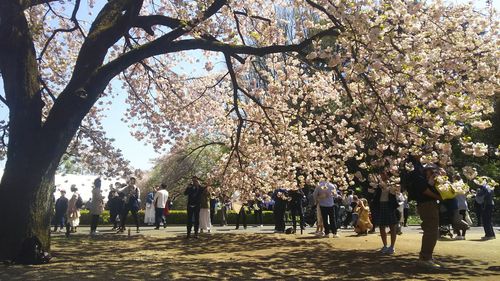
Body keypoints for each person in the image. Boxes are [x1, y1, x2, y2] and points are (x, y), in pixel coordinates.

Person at [408, 155, 442, 268]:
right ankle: (425, 258)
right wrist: (438, 197)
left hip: (426, 203)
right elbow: (423, 189)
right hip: (426, 203)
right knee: (431, 230)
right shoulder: (416, 169)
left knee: (431, 230)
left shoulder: (417, 168)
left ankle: (427, 256)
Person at [371, 172, 399, 254]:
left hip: (389, 205)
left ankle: (392, 246)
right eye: (381, 174)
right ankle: (385, 245)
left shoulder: (393, 184)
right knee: (381, 226)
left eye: (383, 174)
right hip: (380, 205)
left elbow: (395, 193)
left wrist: (388, 186)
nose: (382, 175)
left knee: (392, 226)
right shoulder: (378, 185)